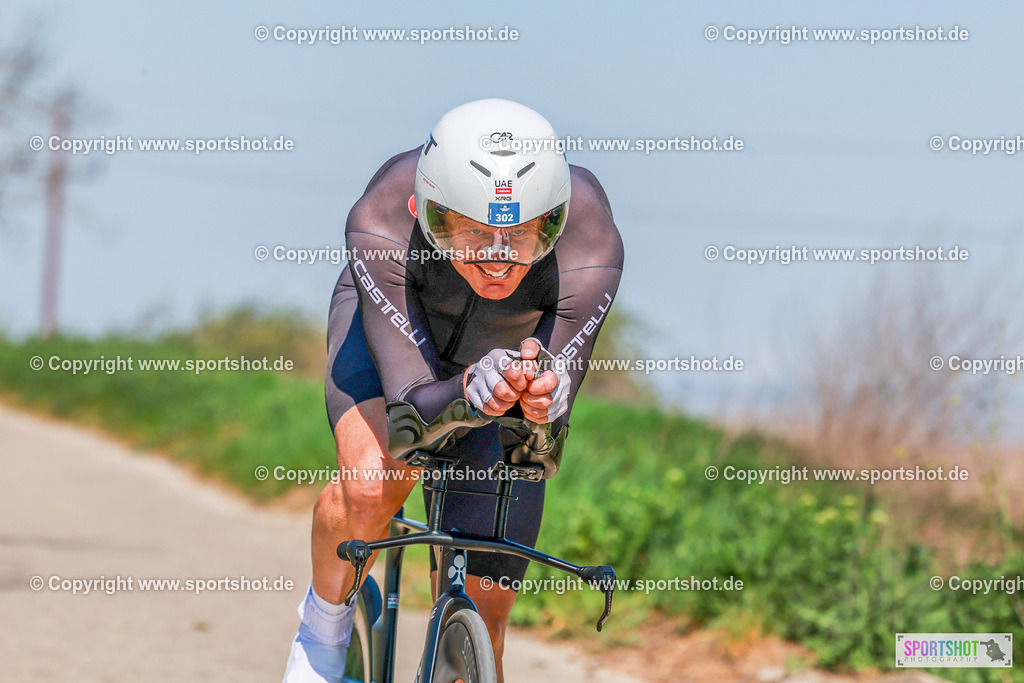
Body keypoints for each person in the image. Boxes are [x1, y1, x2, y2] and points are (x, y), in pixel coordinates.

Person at [283, 98, 624, 682]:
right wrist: (468, 384)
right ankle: (322, 629)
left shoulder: (592, 239)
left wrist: (543, 404)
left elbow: (535, 448)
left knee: (488, 606)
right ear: (426, 211)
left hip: (499, 364)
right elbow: (411, 413)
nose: (496, 260)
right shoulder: (382, 213)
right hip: (394, 336)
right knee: (372, 483)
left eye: (520, 235)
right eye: (472, 234)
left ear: (555, 221)